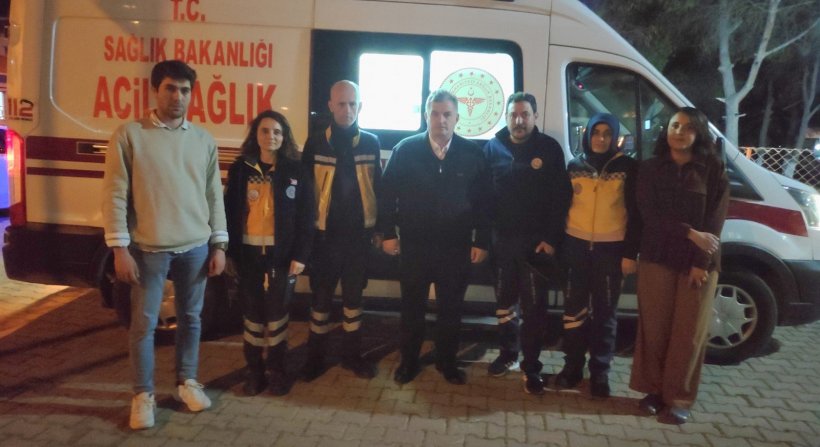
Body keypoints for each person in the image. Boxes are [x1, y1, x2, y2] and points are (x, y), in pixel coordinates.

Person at [101, 60, 227, 430]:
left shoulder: (202, 140)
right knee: (143, 324)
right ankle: (143, 395)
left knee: (191, 319)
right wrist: (119, 248)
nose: (178, 96)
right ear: (155, 90)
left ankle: (187, 382)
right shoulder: (130, 135)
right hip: (148, 248)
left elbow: (213, 195)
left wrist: (219, 244)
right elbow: (115, 194)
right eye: (171, 88)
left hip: (195, 247)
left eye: (185, 90)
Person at [379, 89, 492, 385]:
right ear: (426, 115)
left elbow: (484, 202)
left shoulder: (472, 154)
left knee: (451, 310)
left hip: (455, 247)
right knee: (412, 309)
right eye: (435, 114)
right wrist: (388, 234)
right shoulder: (405, 150)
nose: (441, 120)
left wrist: (481, 240)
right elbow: (386, 195)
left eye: (447, 114)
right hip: (415, 246)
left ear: (457, 118)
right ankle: (409, 362)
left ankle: (447, 362)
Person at [629, 107, 729, 424]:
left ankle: (679, 398)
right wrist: (689, 233)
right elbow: (649, 214)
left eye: (687, 127)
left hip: (696, 264)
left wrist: (701, 260)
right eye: (674, 125)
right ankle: (654, 392)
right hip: (657, 256)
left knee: (688, 333)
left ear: (699, 133)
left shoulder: (712, 168)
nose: (679, 132)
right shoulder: (650, 168)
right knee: (655, 329)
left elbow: (715, 219)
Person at [483, 92, 571, 394]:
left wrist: (551, 239)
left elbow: (560, 198)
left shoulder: (549, 148)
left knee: (534, 310)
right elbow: (484, 198)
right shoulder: (492, 147)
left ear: (535, 116)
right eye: (514, 115)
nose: (519, 121)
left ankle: (531, 366)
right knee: (504, 305)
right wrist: (488, 239)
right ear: (506, 117)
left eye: (525, 114)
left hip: (536, 246)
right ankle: (508, 354)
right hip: (503, 245)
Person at [224, 110, 314, 396]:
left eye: (277, 132)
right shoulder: (240, 170)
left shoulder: (296, 171)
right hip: (248, 256)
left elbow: (307, 217)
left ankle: (277, 371)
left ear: (284, 137)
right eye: (265, 131)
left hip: (282, 257)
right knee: (252, 318)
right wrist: (228, 253)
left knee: (277, 318)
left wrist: (300, 255)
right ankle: (254, 371)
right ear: (256, 134)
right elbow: (229, 213)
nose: (271, 136)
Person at [555, 113, 640, 398]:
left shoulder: (628, 168)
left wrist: (630, 253)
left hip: (611, 251)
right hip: (575, 248)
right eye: (595, 132)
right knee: (573, 313)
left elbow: (636, 215)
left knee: (605, 315)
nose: (601, 138)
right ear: (587, 135)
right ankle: (572, 368)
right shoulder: (575, 166)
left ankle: (600, 373)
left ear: (614, 137)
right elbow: (562, 207)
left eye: (607, 133)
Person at [301, 80, 382, 381]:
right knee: (320, 302)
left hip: (358, 239)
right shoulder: (315, 143)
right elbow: (305, 193)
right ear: (330, 106)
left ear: (360, 106)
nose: (347, 109)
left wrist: (379, 229)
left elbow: (378, 187)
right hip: (324, 239)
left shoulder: (371, 143)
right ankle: (314, 359)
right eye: (341, 104)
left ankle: (352, 357)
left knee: (353, 302)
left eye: (352, 104)